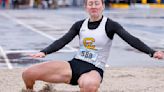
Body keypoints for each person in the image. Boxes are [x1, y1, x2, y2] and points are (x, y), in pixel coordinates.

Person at [22, 0, 164, 92]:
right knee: (28, 74)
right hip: (74, 65)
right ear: (86, 7)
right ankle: (30, 90)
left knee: (88, 85)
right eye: (90, 4)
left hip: (94, 69)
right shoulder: (79, 24)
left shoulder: (110, 25)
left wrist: (152, 52)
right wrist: (44, 52)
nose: (94, 6)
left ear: (102, 5)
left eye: (97, 3)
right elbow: (63, 40)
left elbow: (131, 39)